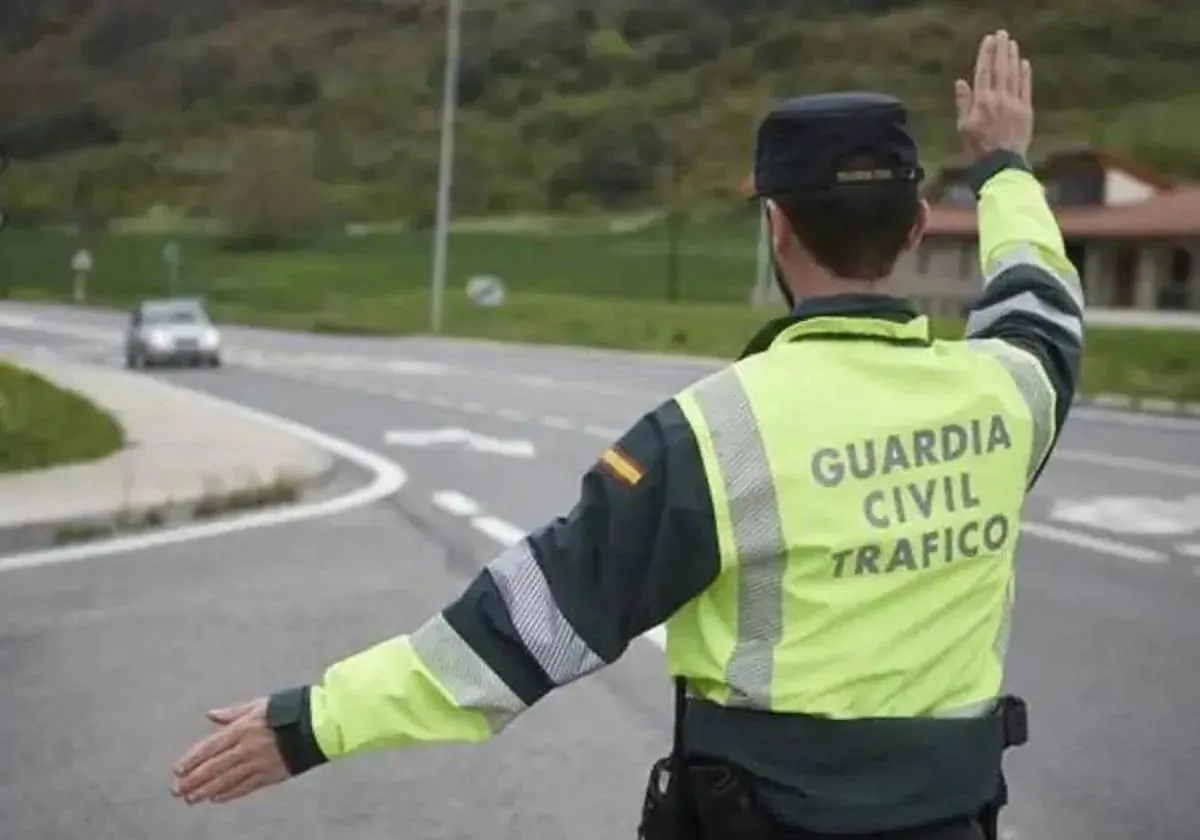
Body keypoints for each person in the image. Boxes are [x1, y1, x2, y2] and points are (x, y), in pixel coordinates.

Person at [171, 29, 1084, 840]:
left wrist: (313, 723)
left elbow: (524, 627)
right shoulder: (1009, 395)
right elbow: (1040, 303)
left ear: (774, 225)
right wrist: (1004, 169)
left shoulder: (710, 433)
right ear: (920, 227)